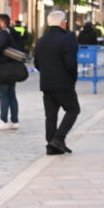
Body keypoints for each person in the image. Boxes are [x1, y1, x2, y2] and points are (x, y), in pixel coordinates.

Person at [34, 10, 80, 155]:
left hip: (46, 84)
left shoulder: (41, 40)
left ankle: (51, 145)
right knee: (73, 109)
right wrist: (73, 78)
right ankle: (58, 139)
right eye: (65, 21)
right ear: (62, 22)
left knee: (51, 115)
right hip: (63, 83)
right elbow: (71, 63)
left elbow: (37, 63)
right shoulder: (66, 39)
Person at [0, 13, 21, 131]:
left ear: (2, 23)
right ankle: (14, 120)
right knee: (11, 94)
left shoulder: (3, 34)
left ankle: (3, 120)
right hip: (11, 69)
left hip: (3, 69)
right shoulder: (11, 32)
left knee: (3, 95)